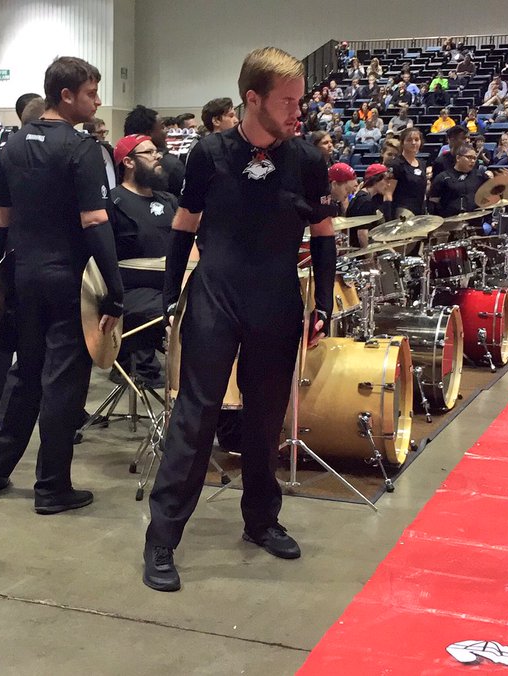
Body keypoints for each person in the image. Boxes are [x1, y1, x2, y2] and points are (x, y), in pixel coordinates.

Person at [142, 47, 336, 592]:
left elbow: (323, 234)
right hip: (215, 298)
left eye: (300, 99)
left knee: (265, 416)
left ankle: (261, 520)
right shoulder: (209, 153)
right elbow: (185, 222)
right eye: (288, 101)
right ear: (253, 99)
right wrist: (169, 294)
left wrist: (321, 301)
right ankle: (161, 539)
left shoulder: (307, 160)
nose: (299, 110)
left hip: (276, 301)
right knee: (195, 414)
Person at [0, 56, 123, 514]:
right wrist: (115, 290)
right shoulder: (81, 149)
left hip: (23, 273)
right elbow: (95, 222)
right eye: (91, 94)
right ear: (66, 95)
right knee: (63, 382)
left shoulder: (11, 146)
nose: (98, 102)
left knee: (26, 371)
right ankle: (52, 487)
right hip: (67, 280)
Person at [0, 93, 42, 424]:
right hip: (22, 257)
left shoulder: (8, 154)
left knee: (2, 333)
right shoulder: (24, 156)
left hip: (9, 254)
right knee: (4, 336)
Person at [108, 133, 177, 387]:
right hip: (131, 292)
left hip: (168, 288)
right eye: (148, 153)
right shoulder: (113, 202)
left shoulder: (168, 200)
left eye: (156, 151)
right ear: (128, 162)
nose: (157, 156)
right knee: (182, 315)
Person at [125, 104, 185, 197]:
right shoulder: (171, 165)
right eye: (162, 127)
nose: (166, 131)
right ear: (148, 133)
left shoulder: (118, 161)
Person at [345, 163, 395, 248]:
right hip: (361, 255)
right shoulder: (365, 201)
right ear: (375, 180)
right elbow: (362, 234)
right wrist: (370, 259)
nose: (388, 184)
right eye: (386, 180)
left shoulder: (363, 197)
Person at [429, 145, 485, 217]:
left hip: (474, 221)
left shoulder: (479, 176)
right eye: (469, 157)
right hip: (450, 222)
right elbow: (433, 202)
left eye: (474, 158)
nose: (473, 161)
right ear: (458, 158)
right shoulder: (443, 177)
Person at [390, 127, 428, 214]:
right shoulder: (396, 164)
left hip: (420, 210)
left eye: (416, 139)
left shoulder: (422, 163)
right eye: (409, 140)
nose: (413, 143)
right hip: (403, 210)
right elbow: (389, 193)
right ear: (402, 143)